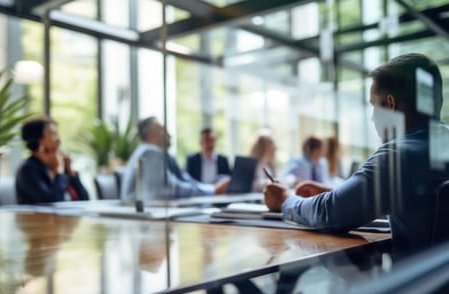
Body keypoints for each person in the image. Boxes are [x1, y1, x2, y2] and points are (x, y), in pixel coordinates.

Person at [264, 53, 449, 254]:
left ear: (390, 105)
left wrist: (284, 200)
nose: (372, 118)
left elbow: (329, 214)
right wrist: (336, 192)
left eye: (373, 105)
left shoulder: (398, 156)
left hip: (416, 284)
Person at [121, 117, 229, 200]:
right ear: (151, 134)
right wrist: (213, 190)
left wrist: (210, 188)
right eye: (163, 129)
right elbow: (171, 189)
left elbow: (182, 179)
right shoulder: (150, 153)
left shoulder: (149, 153)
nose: (169, 134)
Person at [15, 116, 89, 204]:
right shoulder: (28, 170)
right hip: (38, 218)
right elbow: (52, 203)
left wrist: (69, 170)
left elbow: (85, 200)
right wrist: (59, 171)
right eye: (53, 134)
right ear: (40, 140)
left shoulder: (56, 164)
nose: (59, 140)